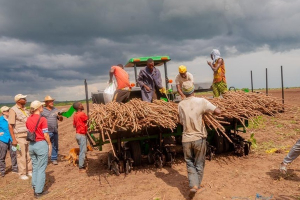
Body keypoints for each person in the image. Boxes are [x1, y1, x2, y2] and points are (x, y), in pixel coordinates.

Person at [178, 81, 221, 196]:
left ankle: (193, 185)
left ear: (183, 92)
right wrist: (210, 113)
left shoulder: (180, 104)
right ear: (193, 91)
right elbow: (217, 111)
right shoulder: (201, 101)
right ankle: (196, 186)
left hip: (186, 139)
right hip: (199, 138)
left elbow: (180, 121)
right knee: (199, 162)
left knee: (189, 162)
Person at [26, 100, 51, 198]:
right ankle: (38, 191)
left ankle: (34, 185)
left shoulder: (28, 119)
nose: (43, 107)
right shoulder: (43, 119)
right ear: (38, 108)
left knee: (35, 167)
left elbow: (29, 130)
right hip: (41, 144)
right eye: (41, 106)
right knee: (41, 168)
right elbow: (45, 134)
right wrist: (49, 144)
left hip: (32, 145)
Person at [8, 94, 31, 180]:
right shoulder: (13, 110)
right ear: (18, 101)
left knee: (29, 154)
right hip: (19, 136)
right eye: (23, 99)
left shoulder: (25, 109)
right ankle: (22, 173)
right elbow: (10, 126)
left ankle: (29, 170)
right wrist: (14, 139)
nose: (25, 100)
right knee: (21, 155)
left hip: (28, 135)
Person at [41, 95, 63, 165]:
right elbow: (39, 120)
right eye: (50, 101)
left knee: (55, 145)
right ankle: (45, 159)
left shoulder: (56, 110)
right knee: (45, 145)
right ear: (46, 103)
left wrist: (60, 116)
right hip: (46, 131)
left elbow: (60, 120)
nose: (52, 102)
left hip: (55, 130)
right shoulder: (42, 110)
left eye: (52, 101)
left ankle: (54, 158)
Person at [0, 106, 18, 177]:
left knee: (14, 154)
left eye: (9, 110)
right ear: (3, 112)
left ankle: (15, 169)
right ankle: (2, 171)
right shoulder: (0, 120)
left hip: (12, 139)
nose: (8, 111)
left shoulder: (12, 119)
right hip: (3, 140)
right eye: (6, 110)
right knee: (2, 156)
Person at [72, 101, 88, 172]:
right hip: (81, 135)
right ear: (79, 107)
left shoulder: (75, 115)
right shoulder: (82, 114)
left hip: (78, 135)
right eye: (81, 104)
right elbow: (88, 120)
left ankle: (82, 163)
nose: (82, 105)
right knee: (83, 151)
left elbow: (74, 125)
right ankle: (81, 167)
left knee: (82, 150)